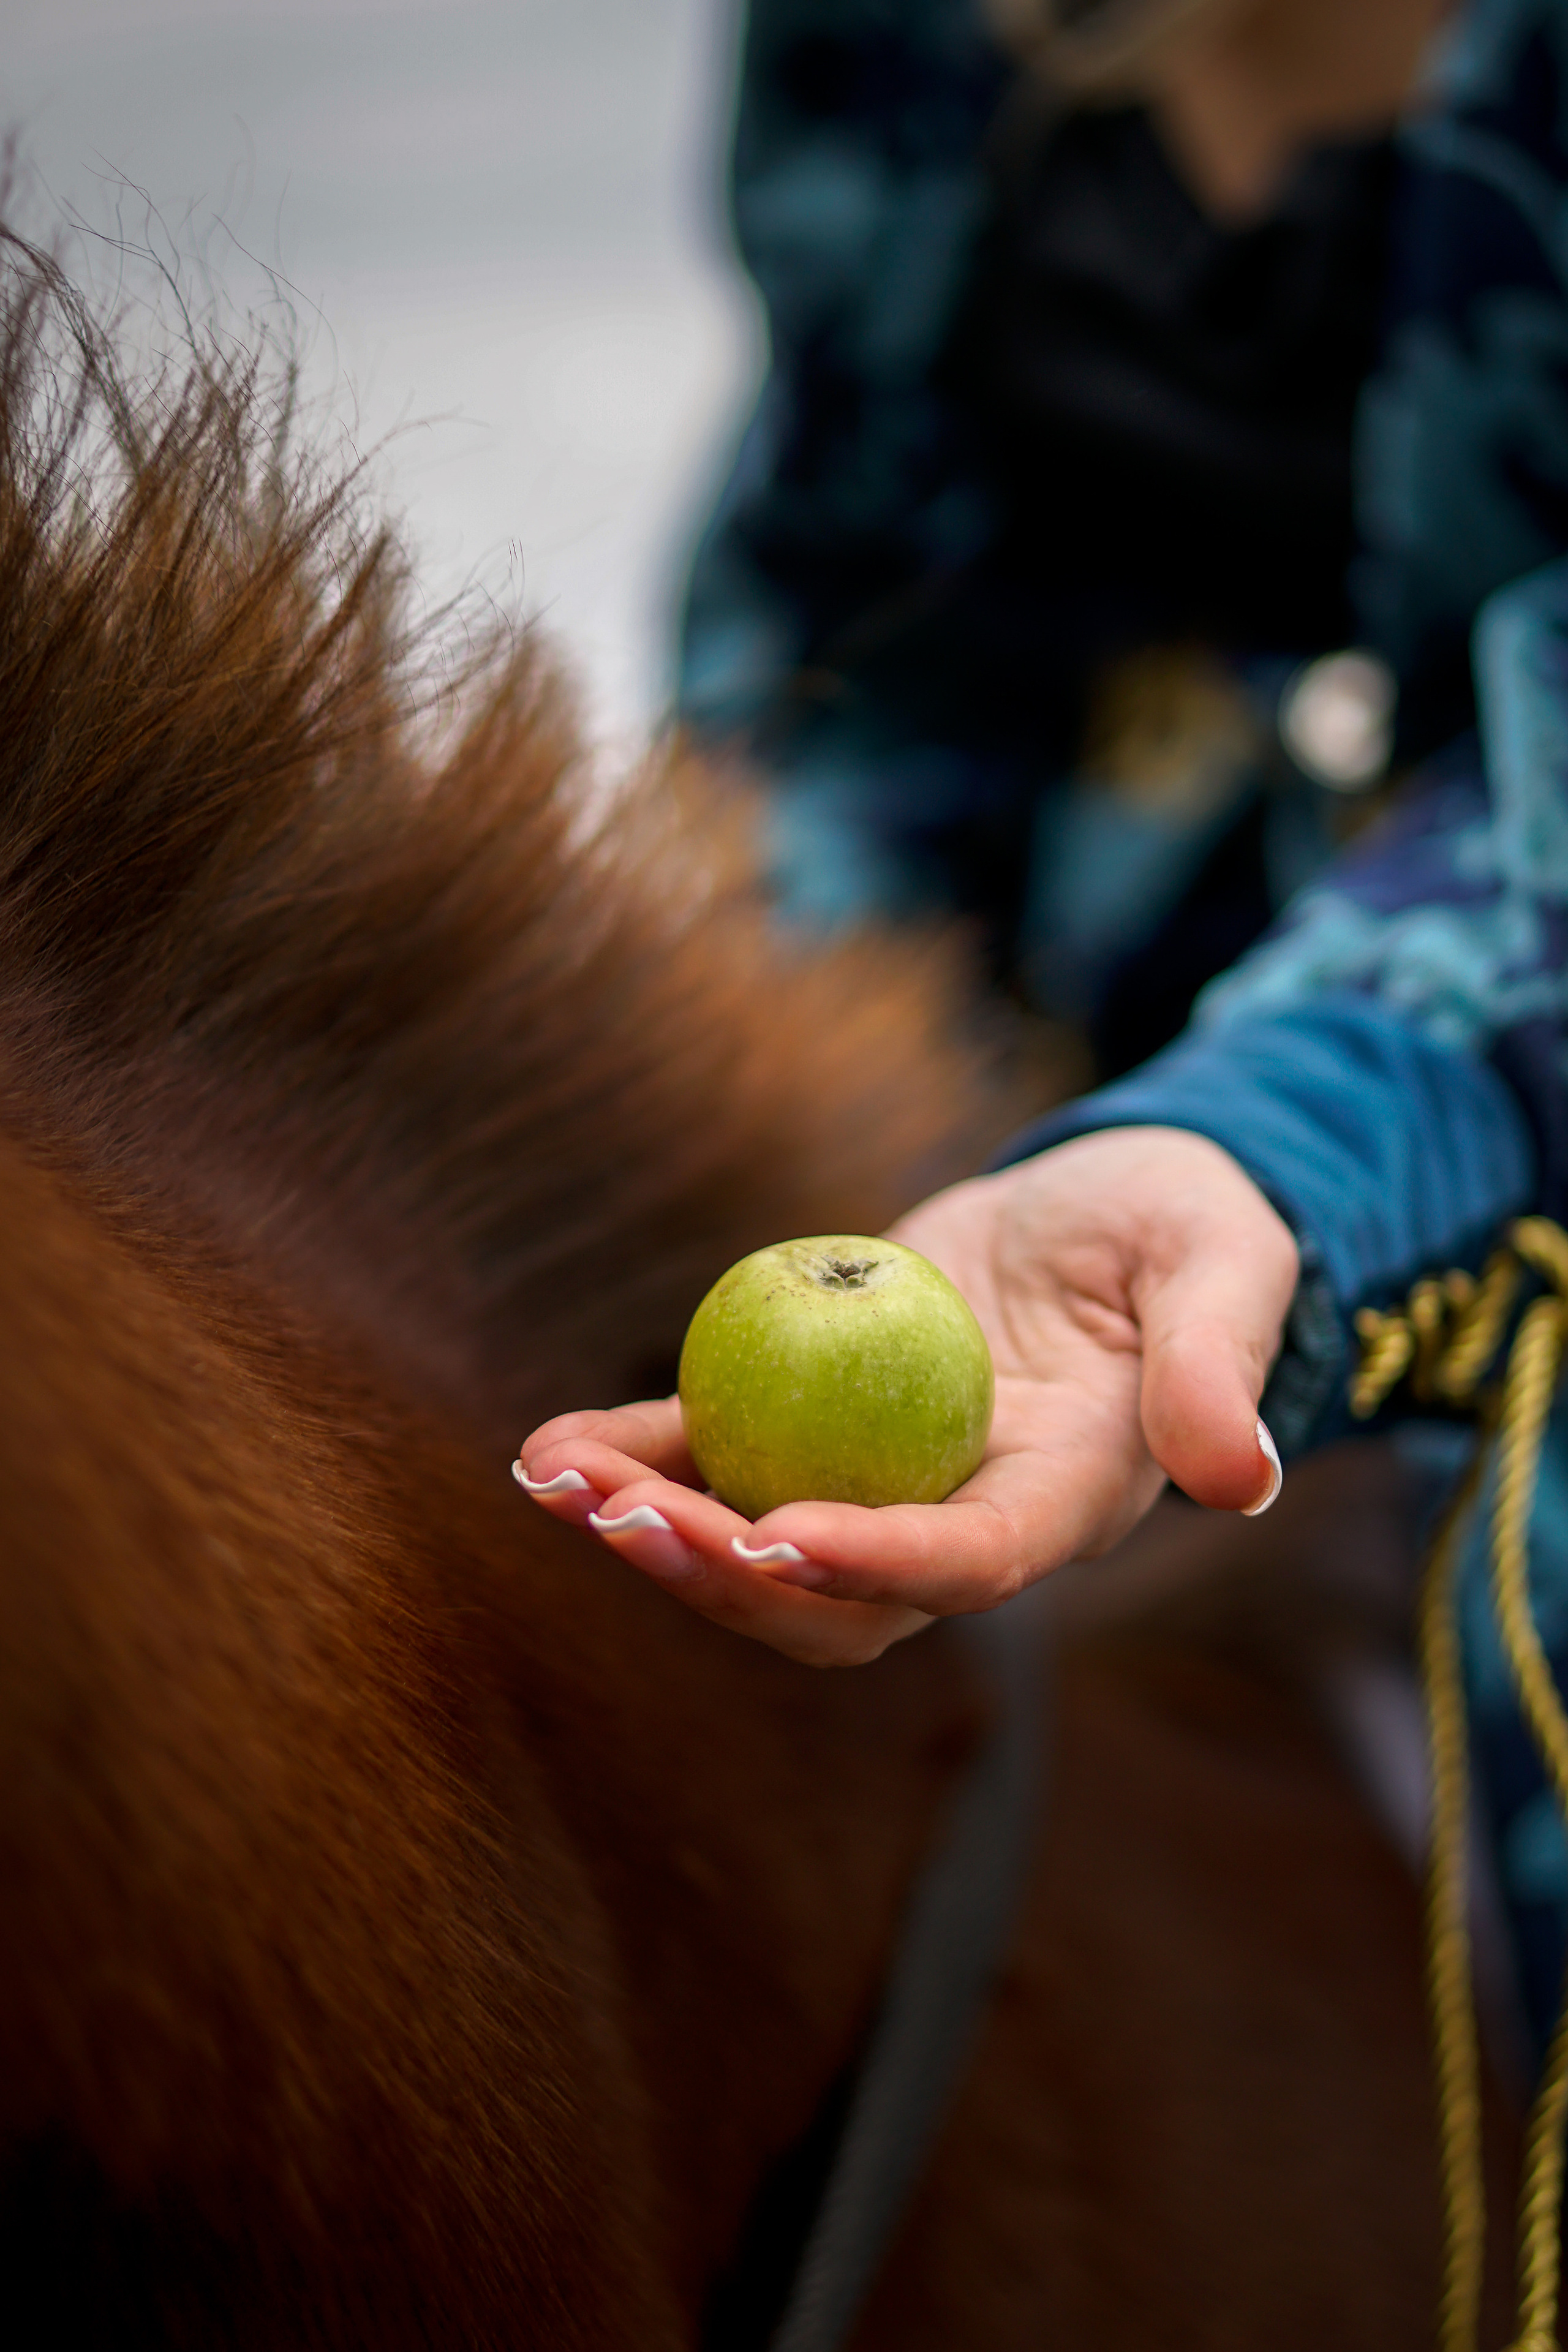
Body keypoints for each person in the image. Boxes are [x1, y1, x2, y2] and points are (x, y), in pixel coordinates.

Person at [521, 0, 1568, 2047]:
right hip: (1064, 1157)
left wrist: (1265, 1135)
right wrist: (760, 1084)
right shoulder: (895, 37)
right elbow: (845, 637)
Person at [676, 0, 1450, 1071]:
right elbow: (825, 599)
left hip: (1437, 1033)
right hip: (991, 985)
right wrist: (805, 976)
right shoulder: (883, 44)